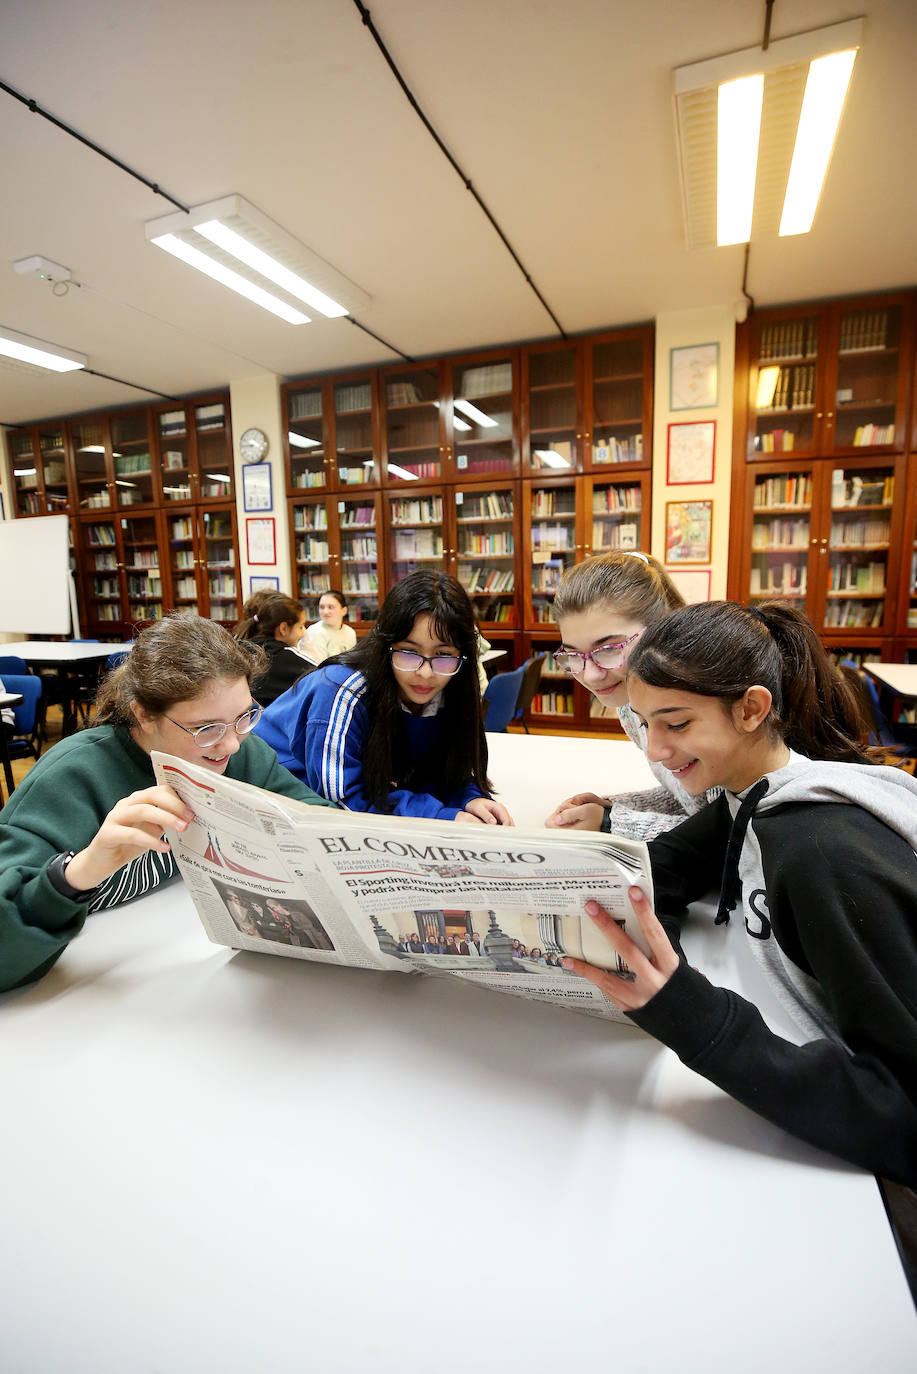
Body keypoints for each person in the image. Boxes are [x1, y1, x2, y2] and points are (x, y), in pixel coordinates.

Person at [564, 599, 917, 1185]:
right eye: (646, 723)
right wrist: (654, 947)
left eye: (676, 724)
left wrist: (686, 1010)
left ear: (752, 708)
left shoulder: (822, 858)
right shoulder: (746, 794)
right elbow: (664, 867)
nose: (654, 750)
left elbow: (903, 1117)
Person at [0, 614, 334, 994]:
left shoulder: (239, 753)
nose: (231, 745)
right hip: (82, 1000)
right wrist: (78, 874)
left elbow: (314, 818)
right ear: (143, 713)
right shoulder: (70, 780)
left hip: (184, 968)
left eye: (244, 717)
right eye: (206, 728)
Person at [255, 570, 513, 823]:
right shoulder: (340, 689)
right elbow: (341, 803)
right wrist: (443, 817)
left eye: (444, 655)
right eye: (409, 652)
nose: (425, 673)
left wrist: (468, 798)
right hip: (274, 798)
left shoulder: (451, 687)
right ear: (386, 646)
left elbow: (435, 771)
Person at [544, 551, 721, 840]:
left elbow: (734, 836)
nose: (589, 676)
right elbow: (694, 800)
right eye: (574, 654)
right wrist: (614, 807)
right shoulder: (631, 699)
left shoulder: (702, 703)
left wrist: (611, 821)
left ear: (661, 627)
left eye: (609, 649)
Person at [233, 591, 315, 705]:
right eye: (300, 626)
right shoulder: (293, 661)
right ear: (283, 628)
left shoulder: (235, 650)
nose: (303, 633)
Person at [304, 589, 357, 664]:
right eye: (322, 607)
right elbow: (320, 665)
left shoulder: (350, 632)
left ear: (344, 611)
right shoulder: (315, 631)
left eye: (331, 607)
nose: (325, 612)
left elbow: (352, 661)